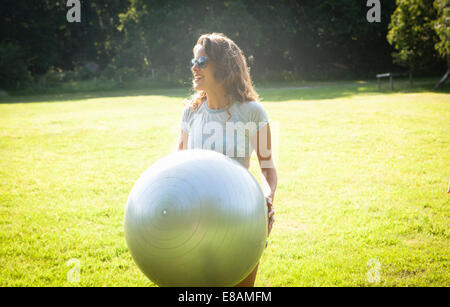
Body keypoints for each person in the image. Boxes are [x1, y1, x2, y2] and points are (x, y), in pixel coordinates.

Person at [177, 33, 277, 287]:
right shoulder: (191, 112)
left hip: (241, 215)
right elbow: (176, 168)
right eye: (193, 60)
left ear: (222, 66)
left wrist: (267, 198)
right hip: (195, 219)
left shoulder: (252, 112)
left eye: (201, 62)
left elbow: (267, 168)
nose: (193, 67)